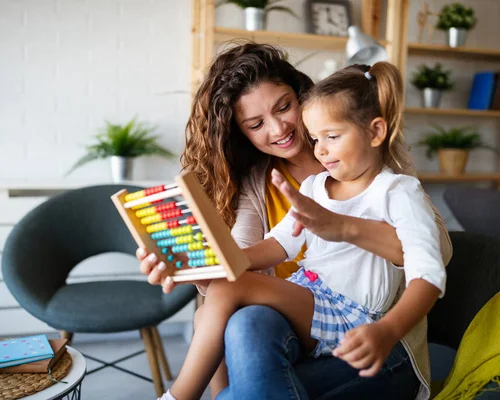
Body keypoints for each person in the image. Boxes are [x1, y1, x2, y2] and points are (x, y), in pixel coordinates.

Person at [138, 43, 453, 400]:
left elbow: (434, 254)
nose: (278, 128)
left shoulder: (386, 175)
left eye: (284, 107)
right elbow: (259, 252)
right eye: (256, 124)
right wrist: (190, 261)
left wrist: (342, 227)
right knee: (238, 315)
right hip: (308, 316)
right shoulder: (304, 185)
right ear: (242, 133)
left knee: (235, 326)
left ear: (302, 97)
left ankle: (179, 396)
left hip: (372, 332)